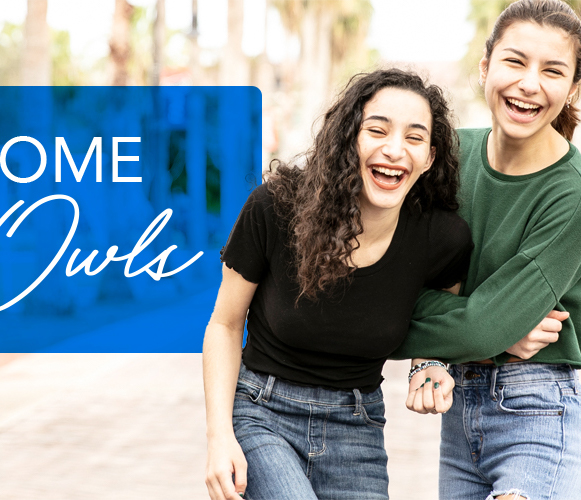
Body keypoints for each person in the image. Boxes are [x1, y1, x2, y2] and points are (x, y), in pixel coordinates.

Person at [202, 69, 473, 500]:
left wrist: (429, 362)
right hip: (262, 413)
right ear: (349, 138)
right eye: (377, 130)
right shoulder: (276, 207)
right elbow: (225, 324)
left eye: (414, 138)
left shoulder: (441, 239)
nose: (394, 149)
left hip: (357, 426)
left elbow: (436, 320)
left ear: (429, 158)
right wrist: (219, 438)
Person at [394, 1, 581, 499]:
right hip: (459, 412)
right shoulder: (446, 156)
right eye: (515, 61)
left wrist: (483, 328)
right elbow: (396, 279)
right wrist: (445, 347)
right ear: (486, 67)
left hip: (538, 407)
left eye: (552, 71)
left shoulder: (574, 191)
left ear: (572, 88)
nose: (530, 83)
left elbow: (479, 324)